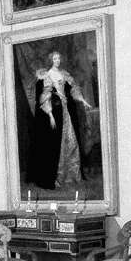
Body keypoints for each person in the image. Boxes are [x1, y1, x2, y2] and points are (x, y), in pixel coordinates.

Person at [30, 51, 92, 190]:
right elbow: (45, 97)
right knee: (56, 143)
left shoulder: (64, 74)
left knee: (71, 141)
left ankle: (72, 175)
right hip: (56, 112)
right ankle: (59, 176)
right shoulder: (47, 75)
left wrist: (83, 101)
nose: (57, 60)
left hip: (66, 111)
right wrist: (50, 115)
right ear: (51, 60)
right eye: (55, 58)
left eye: (58, 58)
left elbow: (73, 89)